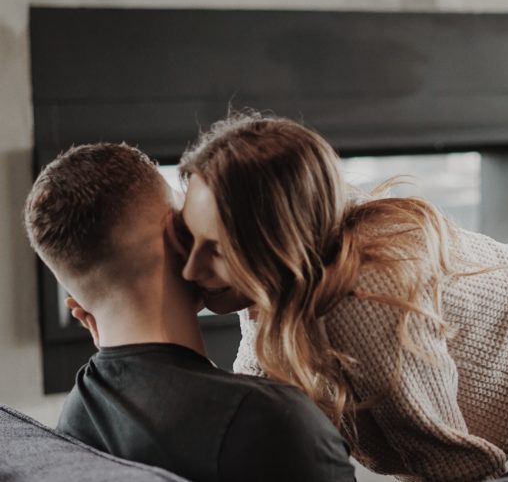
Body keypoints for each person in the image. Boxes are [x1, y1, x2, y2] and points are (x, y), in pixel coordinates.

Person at [172, 111, 508, 482]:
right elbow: (256, 403)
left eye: (218, 251)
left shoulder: (363, 298)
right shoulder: (287, 279)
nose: (191, 267)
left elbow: (456, 466)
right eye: (187, 239)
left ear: (280, 244)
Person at [23, 142, 356, 482]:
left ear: (80, 312)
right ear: (179, 240)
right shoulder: (275, 424)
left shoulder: (72, 424)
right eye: (189, 219)